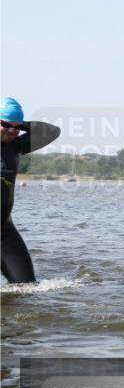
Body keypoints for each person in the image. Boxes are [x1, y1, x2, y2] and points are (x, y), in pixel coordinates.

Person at [1, 97, 61, 283]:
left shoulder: (16, 145)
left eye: (16, 127)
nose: (12, 131)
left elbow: (52, 131)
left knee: (26, 287)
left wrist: (20, 124)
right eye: (5, 125)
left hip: (3, 231)